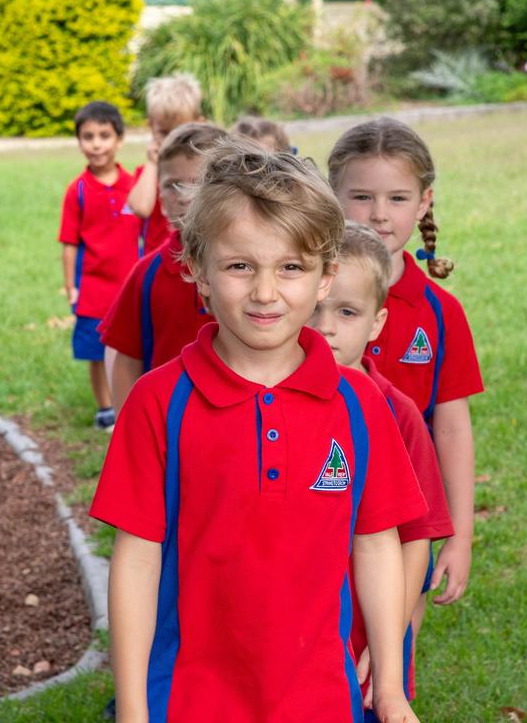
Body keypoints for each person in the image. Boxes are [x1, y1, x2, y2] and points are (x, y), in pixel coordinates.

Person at [92, 137, 426, 723]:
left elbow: (376, 545)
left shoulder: (361, 407)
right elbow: (136, 563)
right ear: (197, 269)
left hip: (323, 696)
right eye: (240, 266)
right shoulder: (157, 404)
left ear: (326, 277)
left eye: (291, 268)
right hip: (189, 698)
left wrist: (392, 691)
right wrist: (133, 710)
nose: (266, 293)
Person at [327, 118, 483, 612]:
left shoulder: (440, 312)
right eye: (361, 196)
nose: (378, 214)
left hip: (407, 519)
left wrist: (459, 538)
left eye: (397, 198)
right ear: (331, 196)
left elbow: (453, 429)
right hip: (320, 501)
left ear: (424, 202)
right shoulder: (309, 295)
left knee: (393, 647)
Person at [307, 222, 454, 718]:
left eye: (347, 312)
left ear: (377, 323)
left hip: (370, 634)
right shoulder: (270, 404)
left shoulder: (398, 413)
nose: (325, 327)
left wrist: (390, 636)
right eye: (313, 309)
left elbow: (416, 538)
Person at [100, 122, 224, 413]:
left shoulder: (254, 266)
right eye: (172, 185)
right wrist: (129, 428)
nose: (183, 195)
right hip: (168, 425)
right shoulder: (148, 273)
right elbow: (126, 358)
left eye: (197, 183)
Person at [58, 101, 144, 430]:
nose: (96, 144)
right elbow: (69, 242)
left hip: (129, 286)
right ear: (79, 142)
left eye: (104, 136)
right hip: (93, 288)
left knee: (130, 348)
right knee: (95, 352)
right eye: (88, 136)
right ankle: (105, 407)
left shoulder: (134, 185)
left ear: (119, 139)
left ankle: (132, 401)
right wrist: (70, 286)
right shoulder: (76, 190)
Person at [127, 73, 204, 254]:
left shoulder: (206, 167)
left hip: (198, 259)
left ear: (199, 124)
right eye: (164, 132)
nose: (172, 139)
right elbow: (140, 208)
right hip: (158, 260)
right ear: (151, 126)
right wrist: (153, 163)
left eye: (181, 130)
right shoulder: (148, 171)